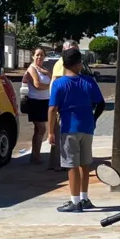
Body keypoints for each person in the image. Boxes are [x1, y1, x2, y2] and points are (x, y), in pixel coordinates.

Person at [48, 47, 106, 212]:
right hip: (87, 127)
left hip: (69, 128)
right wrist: (93, 119)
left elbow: (52, 109)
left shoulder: (59, 84)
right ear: (77, 64)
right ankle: (84, 198)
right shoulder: (89, 81)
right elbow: (100, 103)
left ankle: (74, 202)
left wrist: (51, 131)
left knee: (71, 165)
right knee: (85, 164)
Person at [47, 40, 83, 171]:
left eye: (76, 49)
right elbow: (55, 83)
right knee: (59, 135)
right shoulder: (62, 63)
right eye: (72, 49)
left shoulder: (73, 63)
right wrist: (56, 104)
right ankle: (57, 164)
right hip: (62, 106)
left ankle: (58, 163)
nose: (75, 52)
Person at [23, 47, 51, 164]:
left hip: (45, 101)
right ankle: (36, 156)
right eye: (37, 55)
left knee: (38, 130)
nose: (39, 57)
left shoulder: (44, 68)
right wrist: (51, 86)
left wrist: (48, 73)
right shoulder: (32, 68)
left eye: (42, 55)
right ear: (33, 56)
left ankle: (34, 155)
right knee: (41, 128)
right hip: (35, 102)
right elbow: (37, 85)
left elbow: (52, 76)